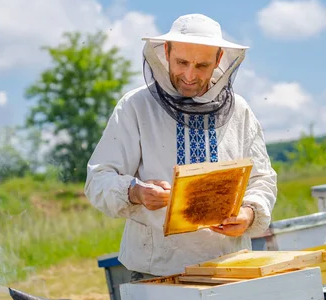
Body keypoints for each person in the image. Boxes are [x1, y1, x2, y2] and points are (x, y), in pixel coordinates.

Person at [85, 14, 277, 279]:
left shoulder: (240, 111)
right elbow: (98, 179)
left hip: (228, 264)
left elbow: (262, 179)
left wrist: (248, 213)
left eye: (201, 65)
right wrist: (135, 191)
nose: (189, 75)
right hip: (156, 268)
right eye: (182, 62)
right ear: (166, 52)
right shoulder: (135, 107)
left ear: (219, 60)